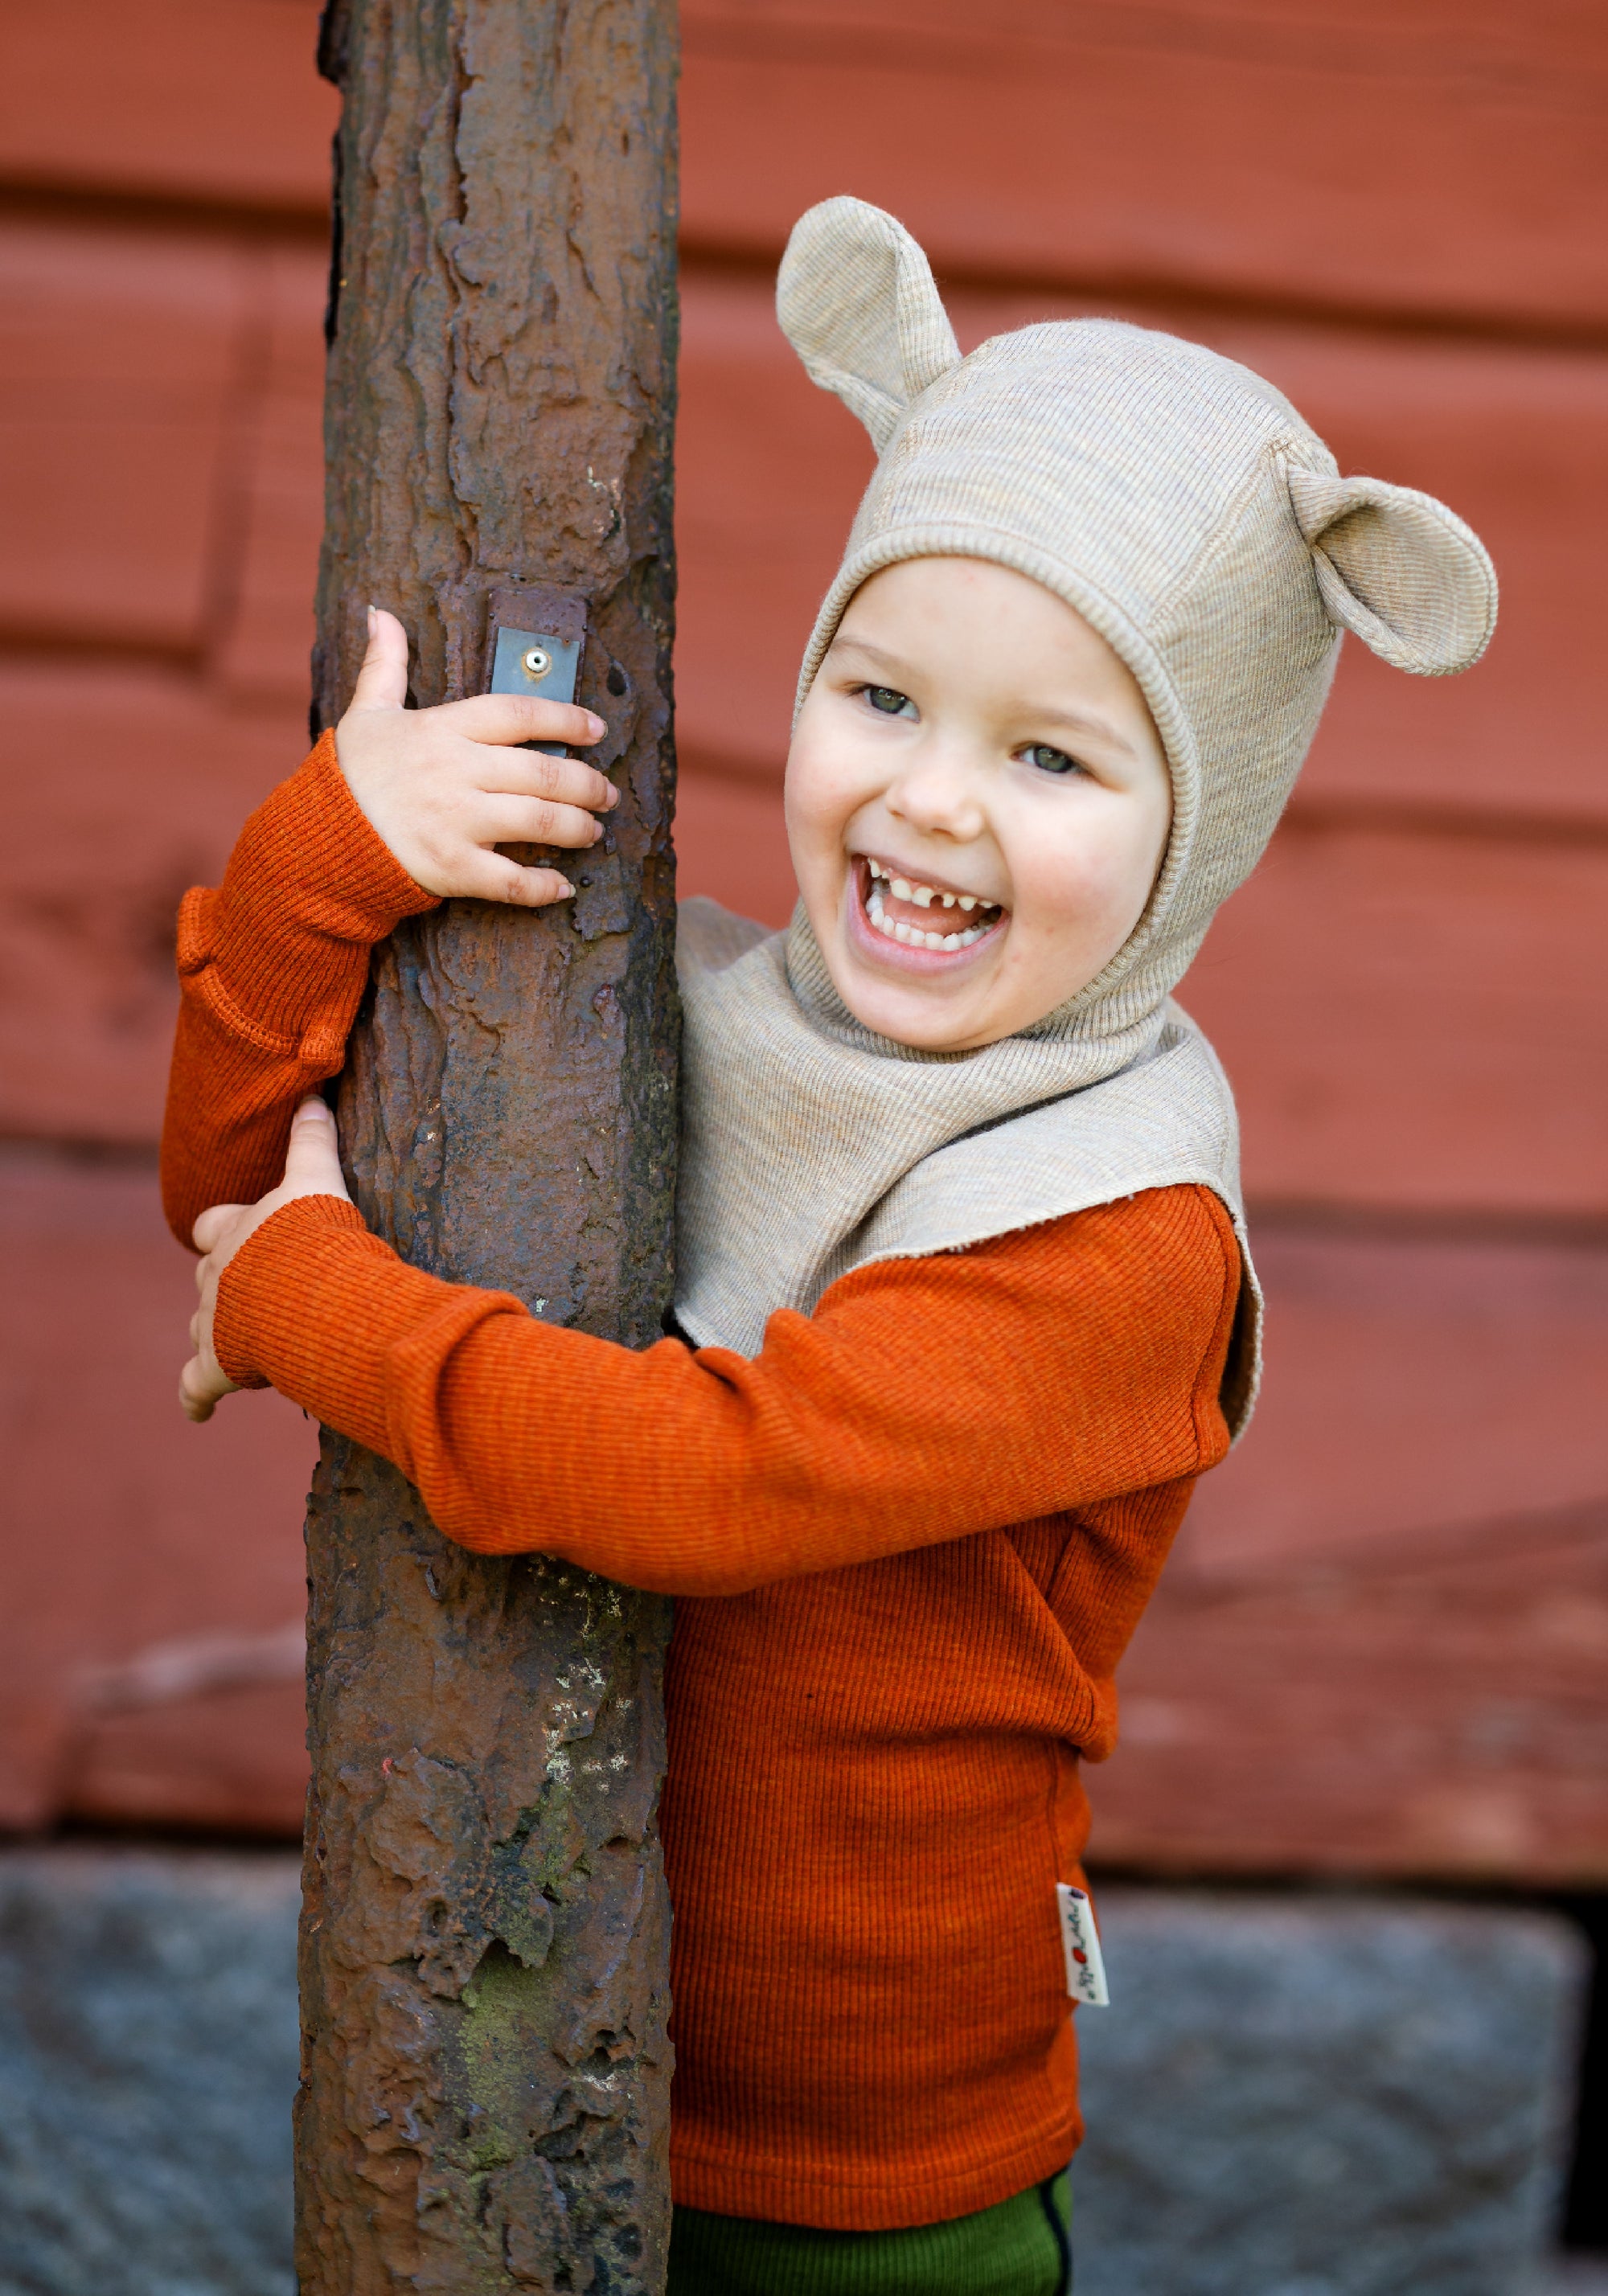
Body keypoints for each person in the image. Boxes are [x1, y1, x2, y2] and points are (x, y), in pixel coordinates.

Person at [163, 199, 1495, 2294]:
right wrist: (334, 853)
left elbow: (703, 1477)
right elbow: (243, 1177)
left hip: (863, 2174)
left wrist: (312, 1302)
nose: (935, 803)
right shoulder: (663, 1011)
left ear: (1202, 826)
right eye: (885, 695)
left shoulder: (1122, 1226)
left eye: (1053, 754)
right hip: (517, 2033)